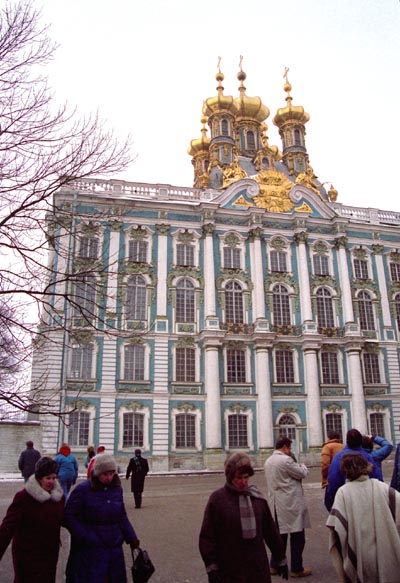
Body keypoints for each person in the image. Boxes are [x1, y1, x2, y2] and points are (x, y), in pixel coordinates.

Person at [199, 452, 288, 583]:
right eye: (239, 478)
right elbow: (207, 536)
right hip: (229, 568)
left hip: (257, 568)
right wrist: (211, 566)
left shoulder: (257, 499)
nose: (243, 482)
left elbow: (270, 532)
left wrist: (280, 558)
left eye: (246, 477)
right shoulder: (217, 500)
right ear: (229, 477)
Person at [64, 453, 140, 582]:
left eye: (111, 473)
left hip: (114, 546)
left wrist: (131, 537)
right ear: (97, 473)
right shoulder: (83, 490)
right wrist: (84, 535)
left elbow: (121, 515)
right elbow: (68, 516)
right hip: (92, 548)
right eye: (105, 474)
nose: (109, 478)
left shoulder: (116, 489)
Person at [326, 453, 400, 582]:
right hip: (387, 549)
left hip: (359, 553)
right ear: (366, 466)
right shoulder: (382, 488)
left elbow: (336, 527)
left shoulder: (343, 492)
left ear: (344, 470)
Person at [0, 456, 64, 581]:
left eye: (54, 477)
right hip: (27, 554)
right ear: (39, 478)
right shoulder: (23, 497)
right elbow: (7, 528)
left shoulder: (58, 497)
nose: (51, 481)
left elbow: (65, 518)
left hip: (50, 553)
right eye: (48, 478)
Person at [264, 436, 312, 578]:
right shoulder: (285, 460)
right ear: (284, 447)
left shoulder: (268, 461)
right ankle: (297, 568)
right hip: (290, 504)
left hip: (276, 504)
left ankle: (274, 565)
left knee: (280, 537)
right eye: (289, 448)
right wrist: (303, 465)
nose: (290, 450)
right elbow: (302, 473)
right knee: (298, 537)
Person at [324, 428, 381, 511]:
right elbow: (378, 479)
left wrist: (331, 503)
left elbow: (333, 481)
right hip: (367, 502)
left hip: (346, 501)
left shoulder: (338, 457)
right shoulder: (368, 457)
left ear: (347, 440)